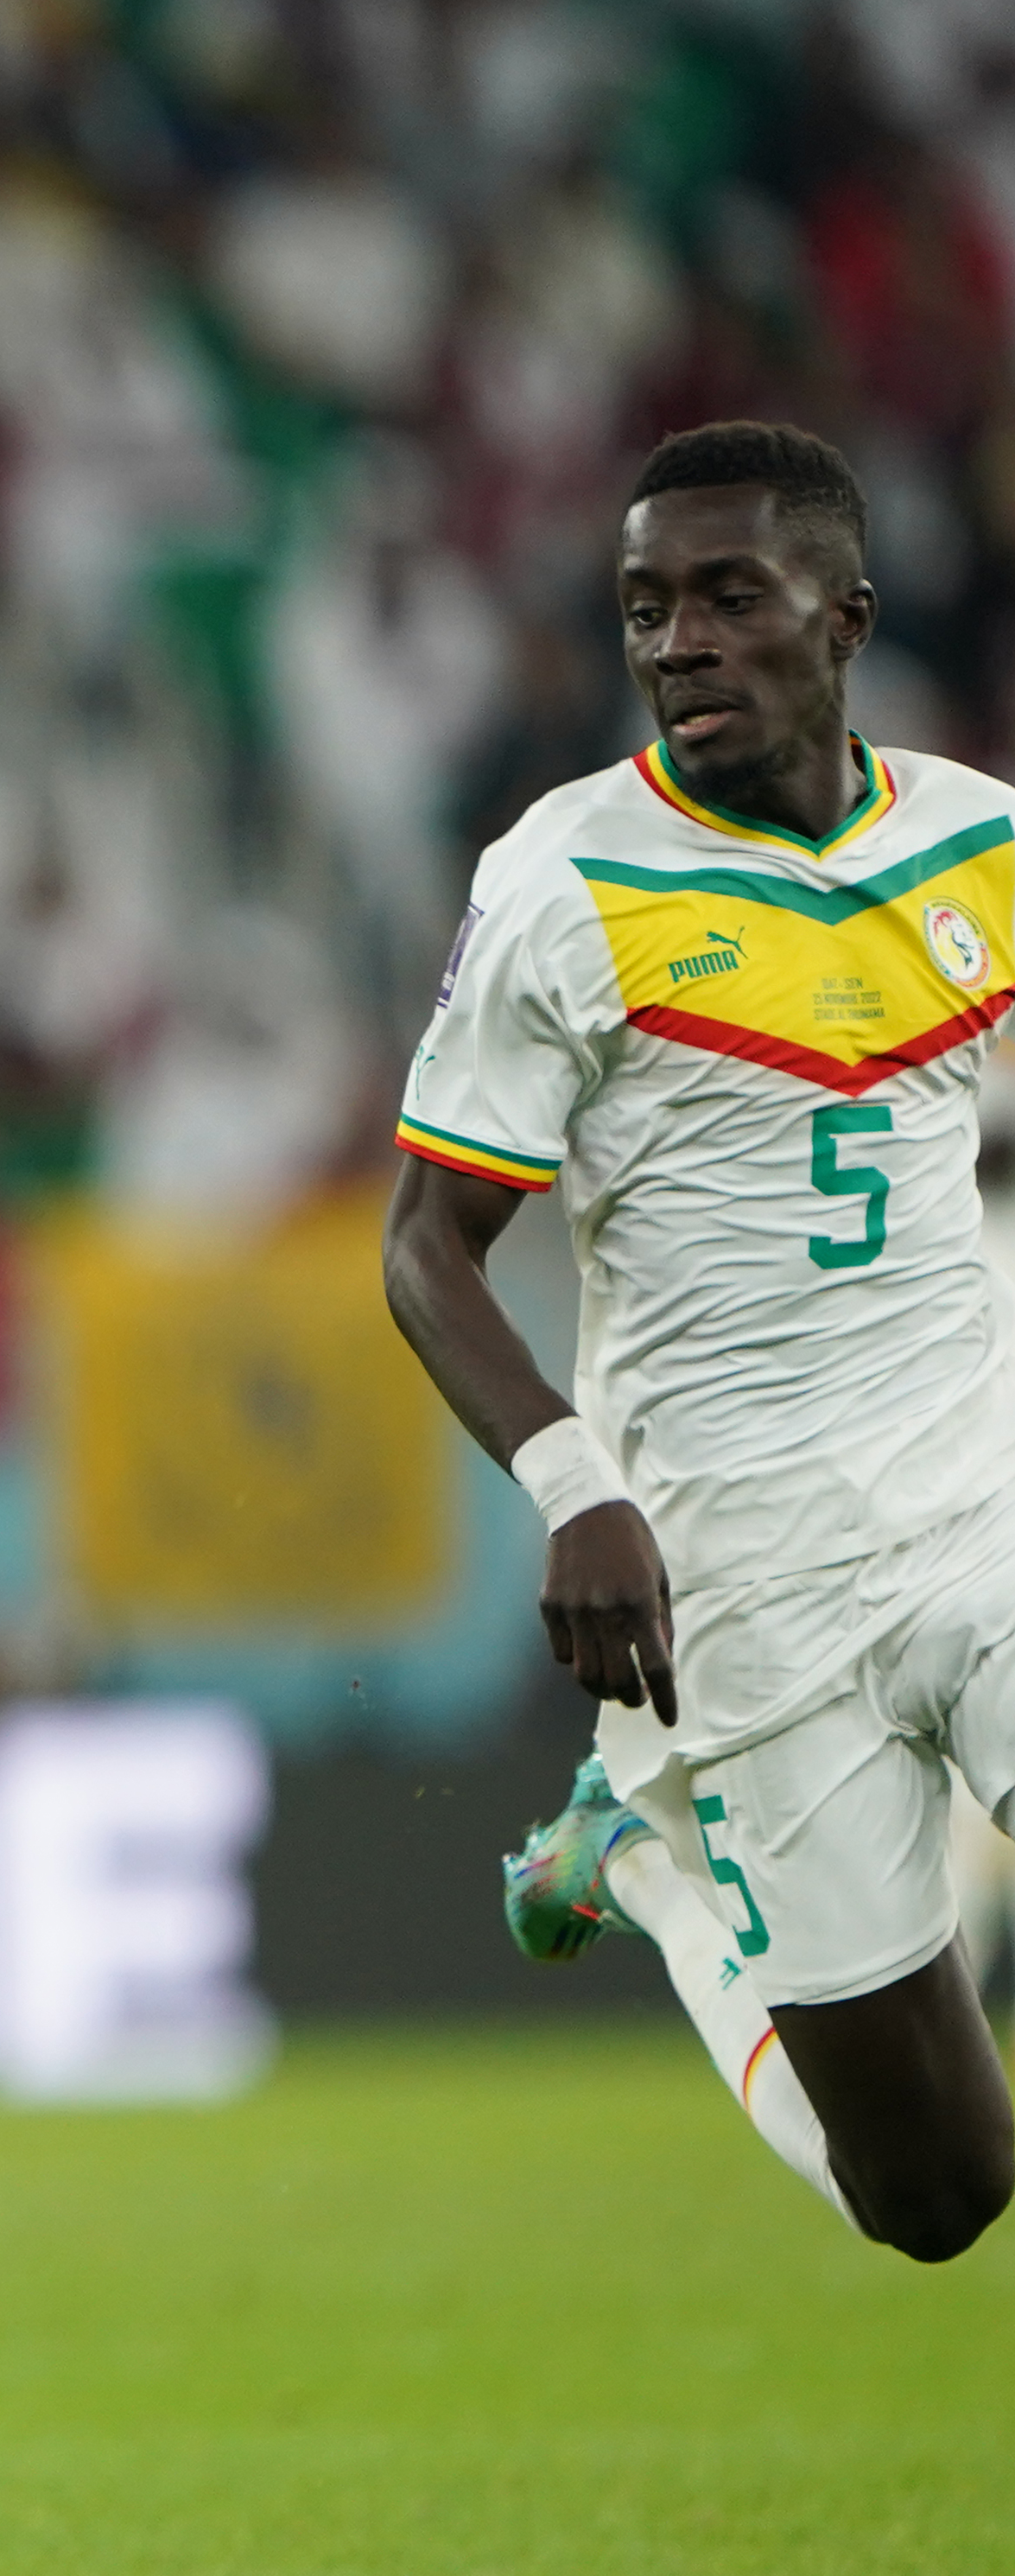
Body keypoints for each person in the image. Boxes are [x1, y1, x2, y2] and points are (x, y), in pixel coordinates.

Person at [386, 420, 1015, 2267]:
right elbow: (425, 1245)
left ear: (844, 618)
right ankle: (644, 1865)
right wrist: (569, 1488)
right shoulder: (563, 884)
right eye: (645, 608)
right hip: (731, 1582)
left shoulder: (978, 841)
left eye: (727, 599)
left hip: (975, 1515)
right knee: (935, 2197)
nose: (675, 643)